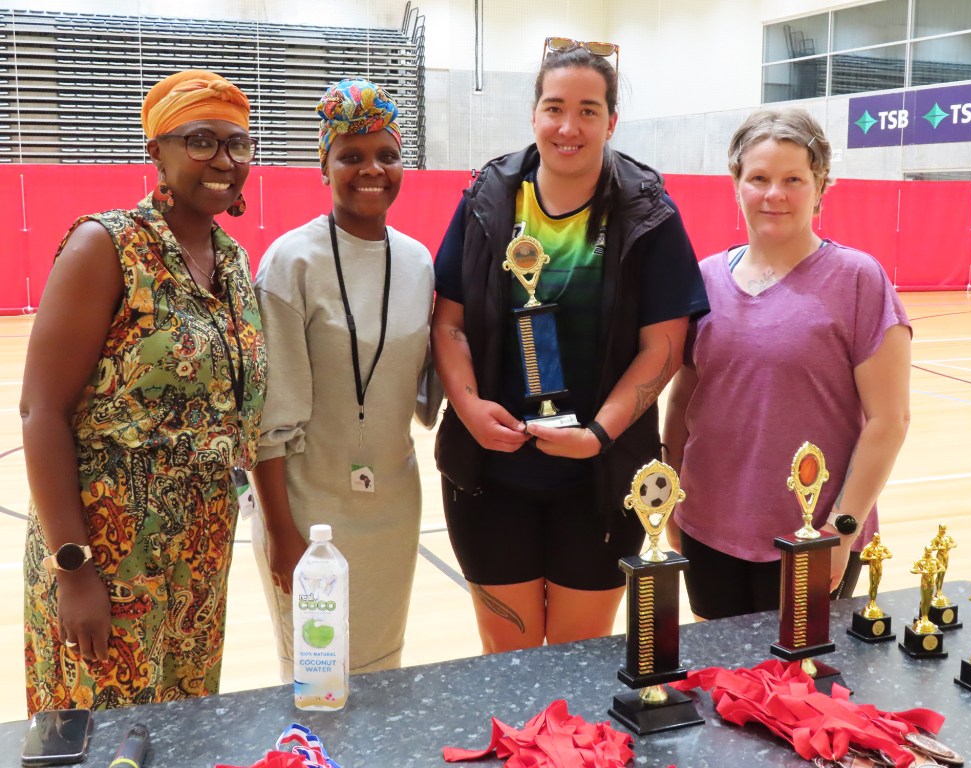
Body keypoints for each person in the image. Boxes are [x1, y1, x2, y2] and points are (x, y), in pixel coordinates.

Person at [431, 39, 709, 653]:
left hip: (601, 481)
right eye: (555, 107)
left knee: (578, 659)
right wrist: (470, 408)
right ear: (534, 114)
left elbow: (664, 347)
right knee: (507, 658)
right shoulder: (486, 199)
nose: (568, 126)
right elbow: (448, 322)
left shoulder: (649, 211)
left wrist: (598, 435)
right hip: (491, 474)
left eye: (588, 110)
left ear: (612, 122)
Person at [21, 70, 266, 712]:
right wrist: (73, 567)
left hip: (200, 559)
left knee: (185, 730)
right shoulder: (106, 246)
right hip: (106, 557)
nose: (224, 160)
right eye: (201, 140)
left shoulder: (233, 262)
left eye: (238, 143)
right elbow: (40, 410)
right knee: (97, 735)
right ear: (156, 150)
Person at [663, 108, 911, 621]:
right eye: (759, 178)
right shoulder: (704, 279)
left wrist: (841, 531)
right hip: (707, 528)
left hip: (811, 537)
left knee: (803, 673)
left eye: (793, 179)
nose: (774, 194)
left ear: (820, 186)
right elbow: (685, 397)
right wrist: (671, 498)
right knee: (720, 669)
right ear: (736, 185)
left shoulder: (859, 279)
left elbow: (889, 420)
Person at [250, 78, 435, 676]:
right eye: (351, 156)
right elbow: (265, 419)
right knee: (315, 676)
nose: (371, 170)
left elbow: (424, 389)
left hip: (393, 508)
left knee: (382, 672)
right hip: (306, 511)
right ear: (323, 166)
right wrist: (281, 531)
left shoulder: (418, 262)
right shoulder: (290, 262)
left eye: (387, 155)